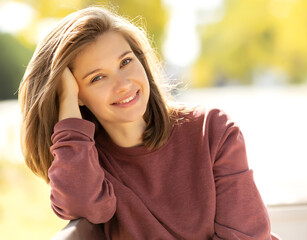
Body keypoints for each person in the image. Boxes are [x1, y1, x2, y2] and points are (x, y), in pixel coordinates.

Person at [18, 6, 280, 240]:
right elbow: (83, 205)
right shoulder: (87, 165)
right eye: (97, 78)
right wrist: (65, 101)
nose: (123, 85)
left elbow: (248, 237)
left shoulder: (211, 130)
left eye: (126, 61)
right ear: (77, 94)